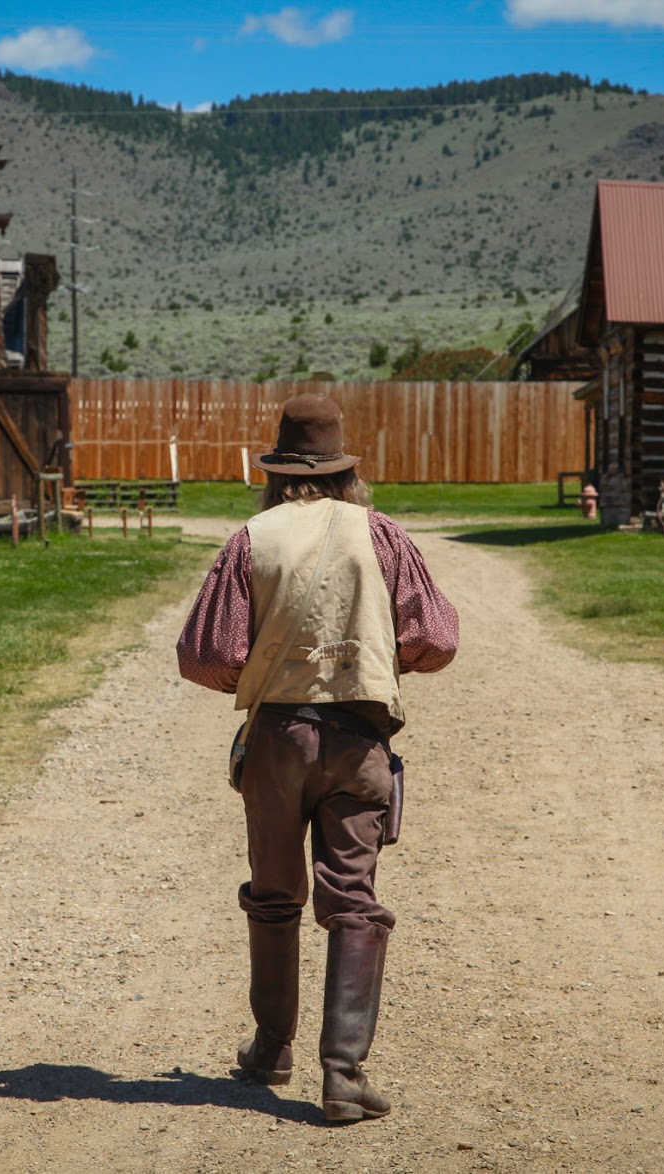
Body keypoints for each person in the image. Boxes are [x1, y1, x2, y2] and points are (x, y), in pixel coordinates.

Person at [176, 393, 458, 1123]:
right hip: (360, 738)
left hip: (277, 738)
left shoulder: (251, 538)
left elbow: (208, 655)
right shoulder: (384, 535)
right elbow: (436, 640)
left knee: (274, 894)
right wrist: (372, 659)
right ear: (345, 470)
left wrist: (273, 673)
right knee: (353, 900)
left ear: (276, 470)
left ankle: (272, 1049)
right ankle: (343, 1075)